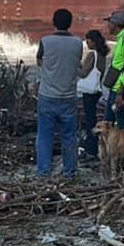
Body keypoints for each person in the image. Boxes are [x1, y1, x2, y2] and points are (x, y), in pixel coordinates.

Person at [35, 9, 83, 179]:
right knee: (69, 136)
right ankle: (70, 172)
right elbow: (77, 62)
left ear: (53, 22)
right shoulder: (78, 43)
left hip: (47, 96)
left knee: (44, 136)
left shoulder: (45, 41)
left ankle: (43, 172)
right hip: (69, 96)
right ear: (70, 23)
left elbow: (39, 61)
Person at [77, 29, 109, 161]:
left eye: (88, 40)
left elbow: (83, 73)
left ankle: (91, 149)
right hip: (97, 90)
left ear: (94, 42)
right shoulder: (102, 55)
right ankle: (96, 147)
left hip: (89, 92)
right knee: (93, 119)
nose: (86, 43)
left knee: (90, 121)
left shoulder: (92, 54)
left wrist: (73, 65)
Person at [103, 11, 124, 129]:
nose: (108, 25)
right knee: (107, 124)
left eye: (109, 22)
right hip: (116, 88)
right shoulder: (121, 39)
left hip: (121, 90)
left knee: (123, 125)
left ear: (115, 24)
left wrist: (120, 92)